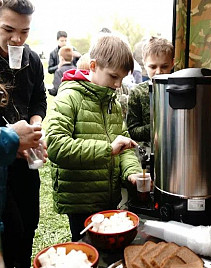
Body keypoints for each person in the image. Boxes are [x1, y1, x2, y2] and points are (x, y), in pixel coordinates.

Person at [46, 34, 142, 242]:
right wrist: (107, 149)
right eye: (113, 76)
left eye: (122, 79)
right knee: (88, 250)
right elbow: (55, 145)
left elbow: (123, 143)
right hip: (80, 201)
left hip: (108, 198)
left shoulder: (112, 102)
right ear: (93, 65)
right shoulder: (69, 97)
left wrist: (132, 172)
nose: (118, 85)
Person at [0, 0, 47, 268]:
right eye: (8, 29)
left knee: (29, 218)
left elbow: (38, 98)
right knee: (10, 223)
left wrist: (37, 123)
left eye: (25, 32)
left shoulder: (33, 60)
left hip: (27, 155)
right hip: (1, 159)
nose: (17, 39)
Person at [127, 37, 174, 145]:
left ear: (172, 63)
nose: (158, 72)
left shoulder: (180, 88)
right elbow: (132, 131)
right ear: (144, 63)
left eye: (164, 66)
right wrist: (157, 126)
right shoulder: (137, 92)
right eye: (153, 67)